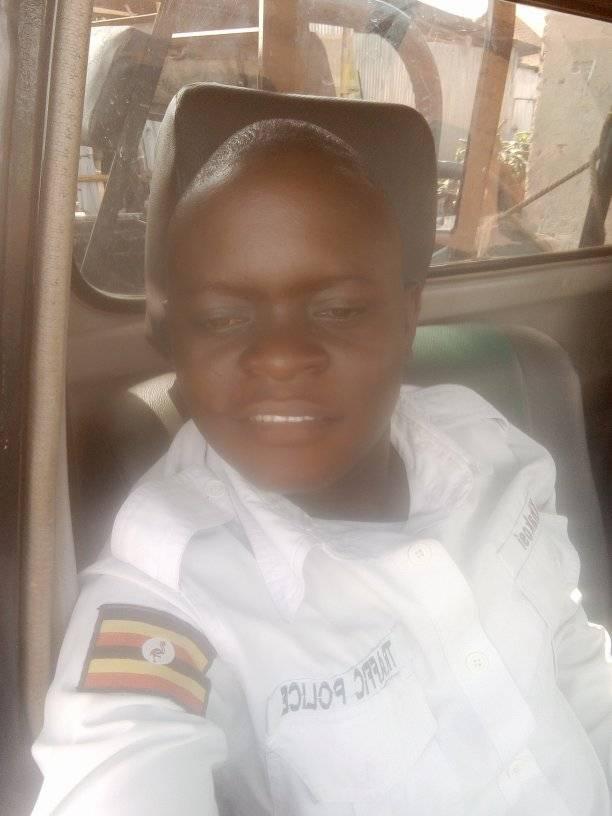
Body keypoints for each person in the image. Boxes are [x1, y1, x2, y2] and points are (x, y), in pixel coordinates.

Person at [32, 119, 611, 815]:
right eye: (222, 318)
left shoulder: (488, 442)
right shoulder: (164, 595)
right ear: (171, 334)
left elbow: (574, 655)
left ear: (407, 315)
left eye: (337, 309)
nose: (281, 356)